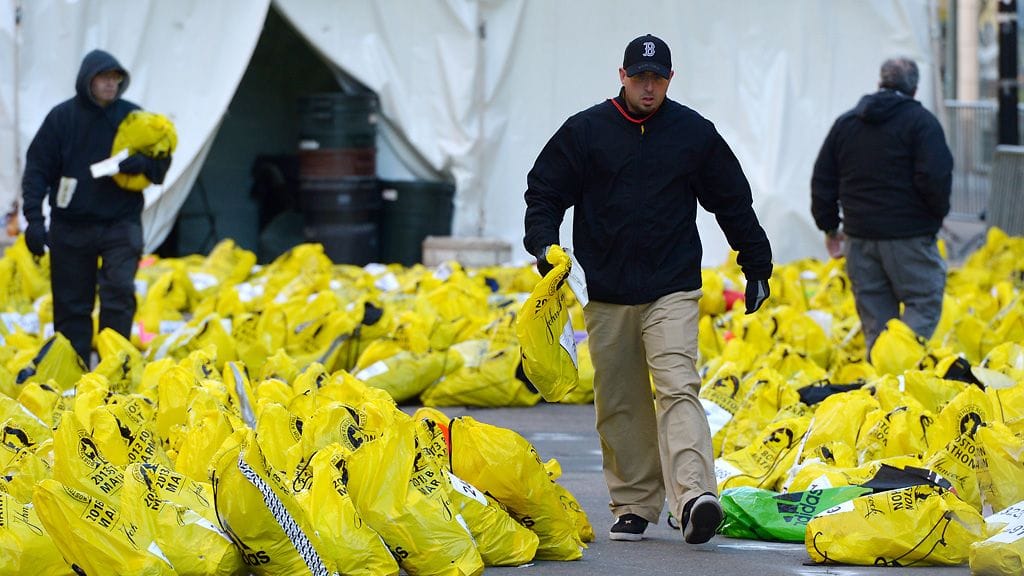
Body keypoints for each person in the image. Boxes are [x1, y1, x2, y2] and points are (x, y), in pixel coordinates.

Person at [523, 34, 773, 544]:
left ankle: (695, 497)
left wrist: (757, 265)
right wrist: (543, 244)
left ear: (670, 80)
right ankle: (634, 503)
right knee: (620, 401)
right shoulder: (586, 131)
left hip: (671, 286)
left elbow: (732, 202)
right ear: (622, 76)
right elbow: (544, 190)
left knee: (678, 385)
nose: (649, 87)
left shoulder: (692, 135)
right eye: (640, 77)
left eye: (658, 79)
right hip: (607, 290)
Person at [22, 49, 172, 365]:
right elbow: (37, 169)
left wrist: (143, 163)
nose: (110, 84)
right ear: (86, 81)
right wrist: (34, 220)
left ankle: (112, 368)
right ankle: (74, 373)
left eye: (116, 78)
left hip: (120, 222)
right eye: (103, 78)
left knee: (119, 293)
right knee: (71, 303)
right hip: (71, 225)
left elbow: (161, 164)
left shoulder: (134, 119)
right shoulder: (62, 119)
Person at [810, 57, 953, 357]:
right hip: (908, 236)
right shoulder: (921, 123)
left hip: (859, 237)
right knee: (924, 301)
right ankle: (900, 367)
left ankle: (885, 383)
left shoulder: (847, 124)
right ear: (914, 89)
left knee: (877, 318)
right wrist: (933, 217)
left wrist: (829, 227)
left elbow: (823, 178)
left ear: (879, 83)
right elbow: (935, 177)